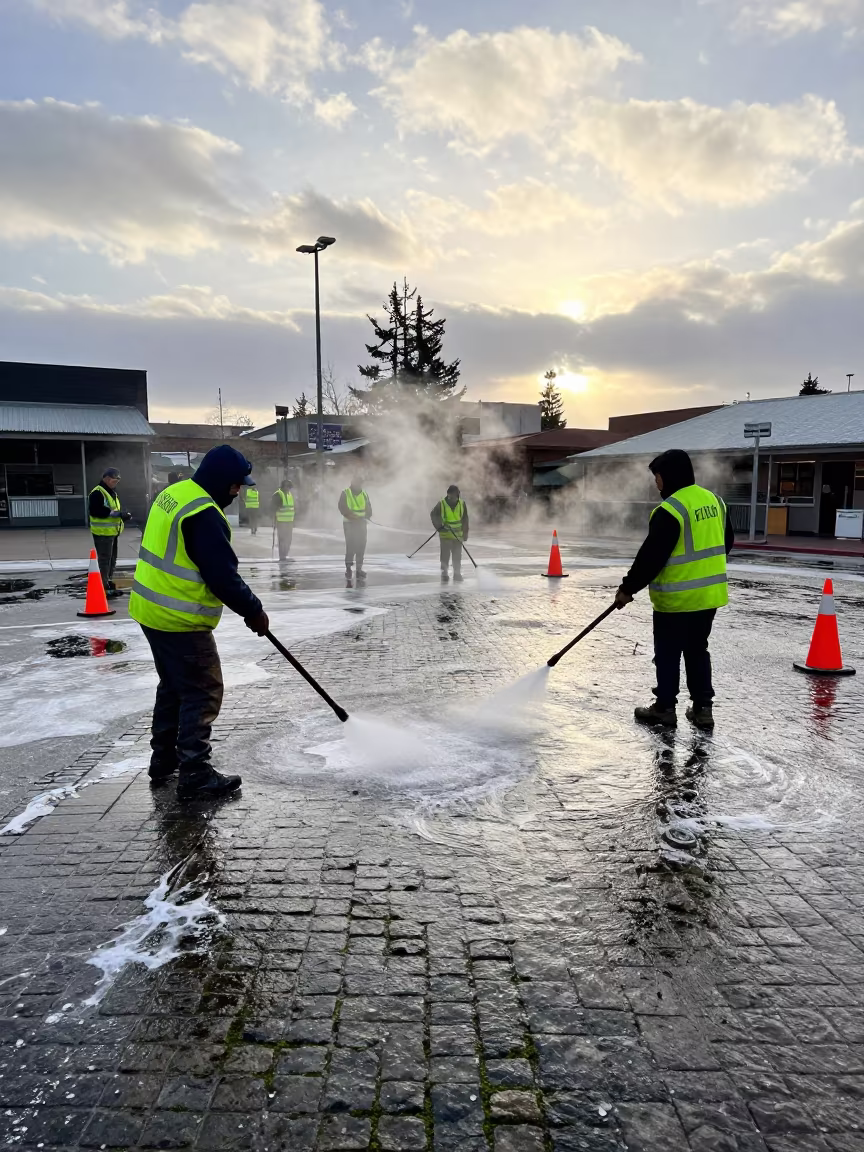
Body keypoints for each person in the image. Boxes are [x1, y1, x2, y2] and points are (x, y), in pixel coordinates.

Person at [128, 444, 270, 799]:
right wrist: (254, 610)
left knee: (174, 686)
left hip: (151, 610)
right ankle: (194, 773)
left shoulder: (175, 493)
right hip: (179, 618)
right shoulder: (204, 513)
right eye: (237, 486)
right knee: (202, 690)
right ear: (222, 481)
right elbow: (222, 578)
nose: (238, 493)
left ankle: (163, 761)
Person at [614, 449, 734, 731]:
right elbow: (726, 542)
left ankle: (664, 708)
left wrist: (627, 589)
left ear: (667, 476)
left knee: (668, 654)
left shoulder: (670, 510)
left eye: (657, 477)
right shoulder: (715, 501)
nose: (656, 483)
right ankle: (703, 710)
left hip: (676, 600)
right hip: (708, 597)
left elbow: (650, 558)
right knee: (697, 651)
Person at [89, 467, 133, 598]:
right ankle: (103, 587)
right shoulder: (98, 493)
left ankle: (107, 583)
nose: (115, 484)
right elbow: (96, 511)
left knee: (111, 560)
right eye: (114, 481)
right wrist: (118, 514)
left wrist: (122, 515)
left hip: (112, 532)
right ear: (106, 479)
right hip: (103, 533)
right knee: (104, 561)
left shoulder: (111, 492)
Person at [431, 485, 469, 583]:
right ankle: (444, 573)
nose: (454, 497)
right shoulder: (442, 504)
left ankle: (457, 573)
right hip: (446, 536)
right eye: (452, 495)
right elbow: (433, 514)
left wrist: (465, 533)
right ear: (448, 494)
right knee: (445, 555)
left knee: (457, 556)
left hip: (458, 536)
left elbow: (465, 519)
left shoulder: (462, 503)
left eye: (456, 495)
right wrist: (439, 527)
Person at [339, 477, 372, 586]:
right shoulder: (345, 493)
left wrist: (367, 516)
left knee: (361, 545)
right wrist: (353, 517)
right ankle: (348, 568)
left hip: (361, 524)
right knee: (351, 545)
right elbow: (342, 508)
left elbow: (368, 508)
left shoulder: (364, 494)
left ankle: (359, 569)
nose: (360, 485)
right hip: (350, 523)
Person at [272, 477, 295, 560]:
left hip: (289, 521)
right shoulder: (278, 494)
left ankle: (285, 554)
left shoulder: (289, 494)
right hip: (281, 521)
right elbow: (273, 507)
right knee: (282, 539)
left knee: (288, 539)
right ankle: (282, 556)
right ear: (283, 486)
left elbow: (291, 507)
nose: (288, 489)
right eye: (287, 487)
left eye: (289, 487)